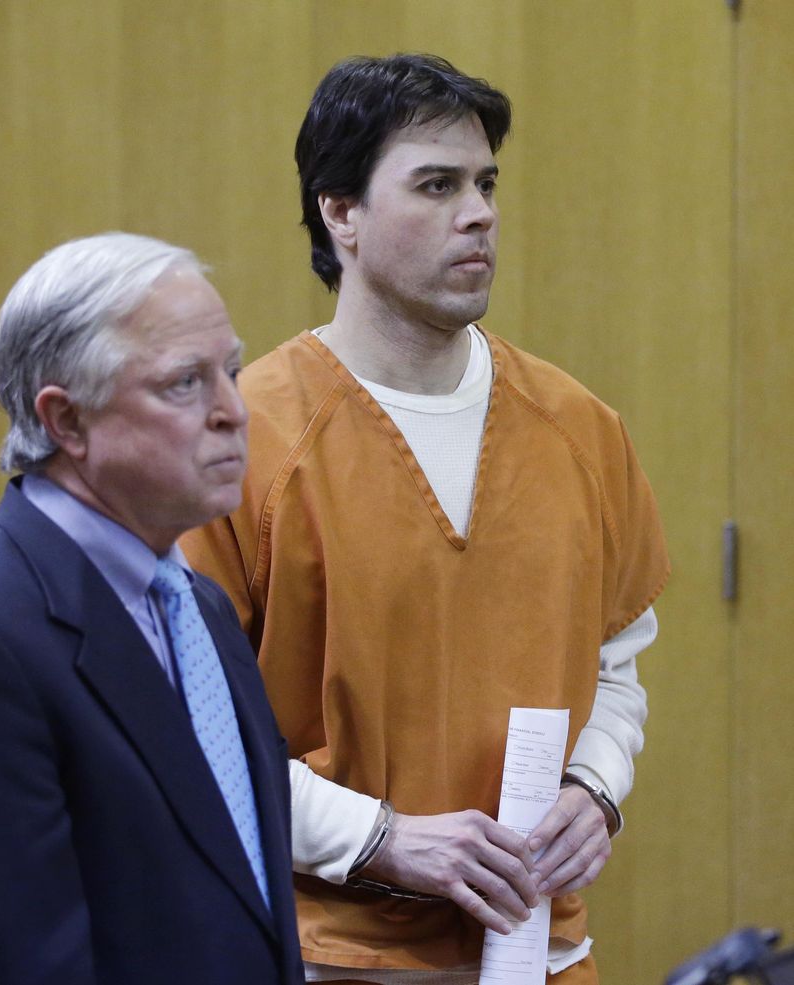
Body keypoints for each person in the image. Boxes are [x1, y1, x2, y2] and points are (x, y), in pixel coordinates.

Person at [182, 54, 669, 985]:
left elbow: (618, 658)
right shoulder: (243, 441)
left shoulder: (579, 426)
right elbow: (191, 728)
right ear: (341, 212)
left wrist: (595, 786)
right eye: (437, 185)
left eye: (485, 183)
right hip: (329, 954)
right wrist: (380, 839)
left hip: (544, 950)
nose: (480, 212)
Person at [0, 232, 305, 985]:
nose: (234, 410)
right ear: (66, 420)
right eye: (184, 384)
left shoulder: (201, 607)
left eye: (229, 371)